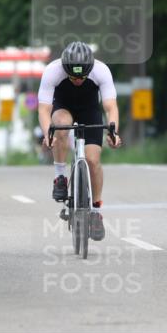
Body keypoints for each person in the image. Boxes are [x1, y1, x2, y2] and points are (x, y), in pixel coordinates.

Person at [38, 41, 122, 242]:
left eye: (82, 77)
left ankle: (95, 211)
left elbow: (111, 107)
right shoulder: (52, 71)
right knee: (60, 125)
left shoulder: (101, 70)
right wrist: (47, 134)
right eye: (72, 76)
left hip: (89, 110)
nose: (77, 80)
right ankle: (60, 176)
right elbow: (44, 109)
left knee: (93, 161)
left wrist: (113, 132)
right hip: (63, 107)